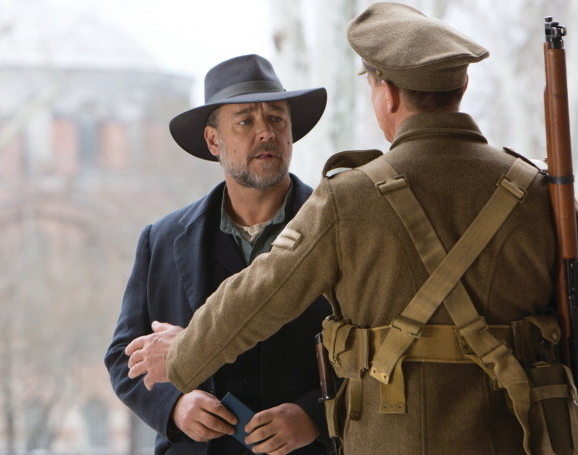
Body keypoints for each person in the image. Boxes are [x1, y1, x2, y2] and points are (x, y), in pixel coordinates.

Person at [124, 3, 560, 455]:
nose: (265, 133)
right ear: (463, 86)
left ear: (389, 95)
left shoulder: (350, 197)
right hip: (519, 436)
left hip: (394, 439)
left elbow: (261, 296)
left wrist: (182, 354)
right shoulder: (536, 191)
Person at [104, 54, 334, 454]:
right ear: (214, 141)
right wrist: (175, 406)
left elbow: (378, 353)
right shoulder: (162, 239)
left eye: (276, 119)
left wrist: (315, 416)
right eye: (245, 122)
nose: (266, 133)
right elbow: (125, 358)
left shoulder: (337, 229)